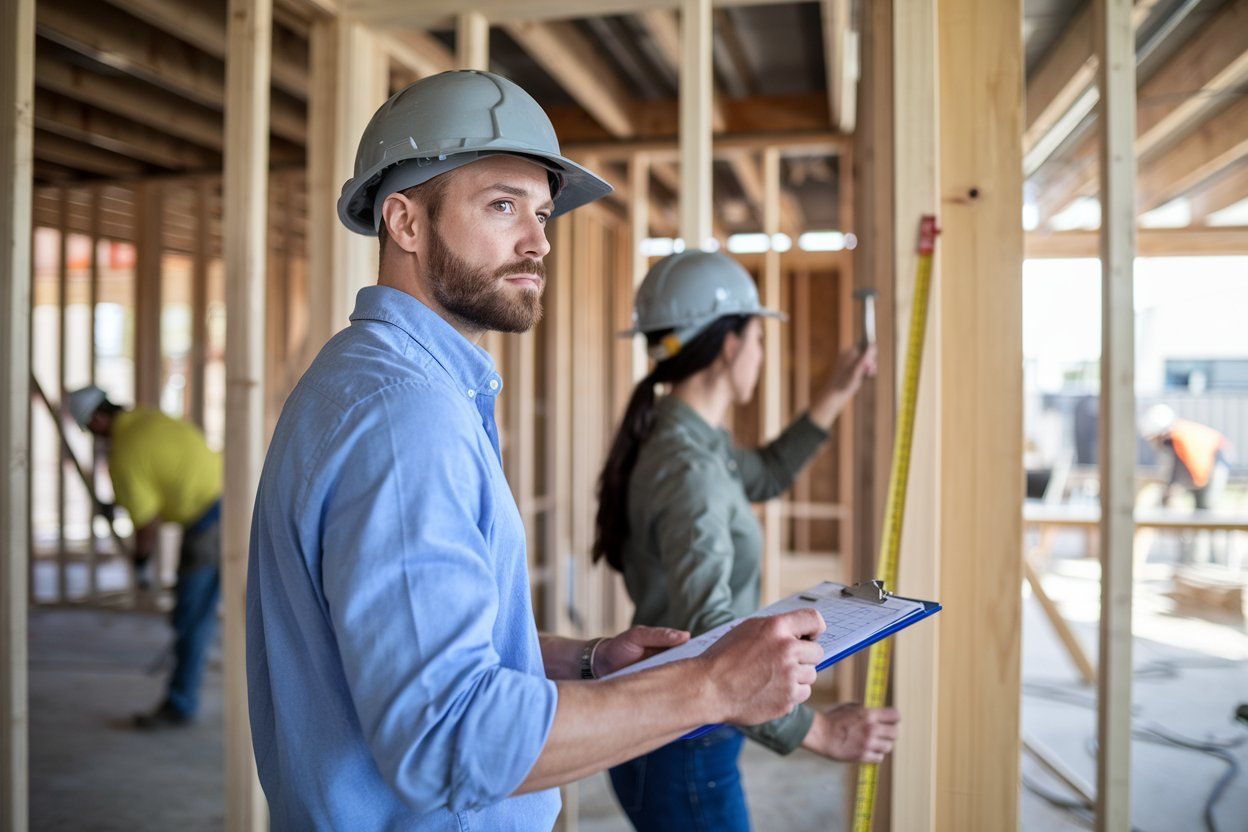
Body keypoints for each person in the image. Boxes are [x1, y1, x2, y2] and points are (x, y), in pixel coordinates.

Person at [247, 69, 830, 831]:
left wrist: (583, 663)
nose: (539, 241)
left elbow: (411, 643)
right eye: (501, 206)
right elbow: (446, 739)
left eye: (543, 213)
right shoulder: (405, 420)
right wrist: (712, 687)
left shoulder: (377, 381)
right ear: (404, 222)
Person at [593, 250, 899, 831]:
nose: (761, 354)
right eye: (759, 338)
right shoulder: (688, 465)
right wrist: (820, 730)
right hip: (685, 741)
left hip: (668, 729)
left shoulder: (687, 437)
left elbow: (765, 475)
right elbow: (715, 631)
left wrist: (836, 390)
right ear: (730, 344)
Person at [66, 385, 222, 729]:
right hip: (233, 497)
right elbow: (158, 474)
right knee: (217, 610)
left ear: (98, 420)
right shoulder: (146, 417)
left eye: (90, 429)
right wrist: (119, 503)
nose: (94, 437)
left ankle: (180, 705)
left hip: (208, 521)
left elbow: (146, 525)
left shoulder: (123, 454)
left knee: (191, 617)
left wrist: (140, 562)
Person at [1141, 404, 1232, 563]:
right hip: (1204, 469)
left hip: (1214, 465)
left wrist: (1170, 490)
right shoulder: (1177, 434)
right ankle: (1198, 561)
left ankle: (1214, 562)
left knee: (1206, 512)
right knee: (1200, 514)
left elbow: (1178, 468)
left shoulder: (1177, 437)